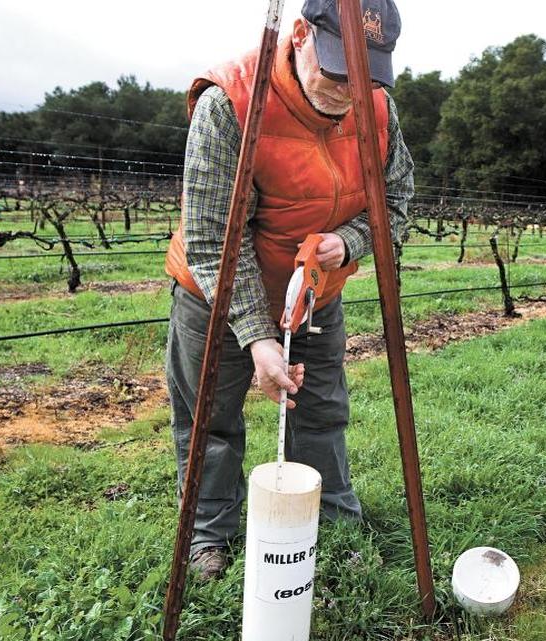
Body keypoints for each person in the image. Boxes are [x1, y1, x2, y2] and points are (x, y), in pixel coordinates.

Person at [164, 0, 414, 581]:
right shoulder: (230, 102)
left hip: (313, 296)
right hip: (215, 295)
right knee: (209, 420)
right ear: (300, 34)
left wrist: (349, 242)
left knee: (321, 412)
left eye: (365, 76)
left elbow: (396, 202)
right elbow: (211, 240)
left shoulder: (378, 108)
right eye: (337, 72)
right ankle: (208, 536)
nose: (349, 93)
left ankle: (333, 519)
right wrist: (257, 337)